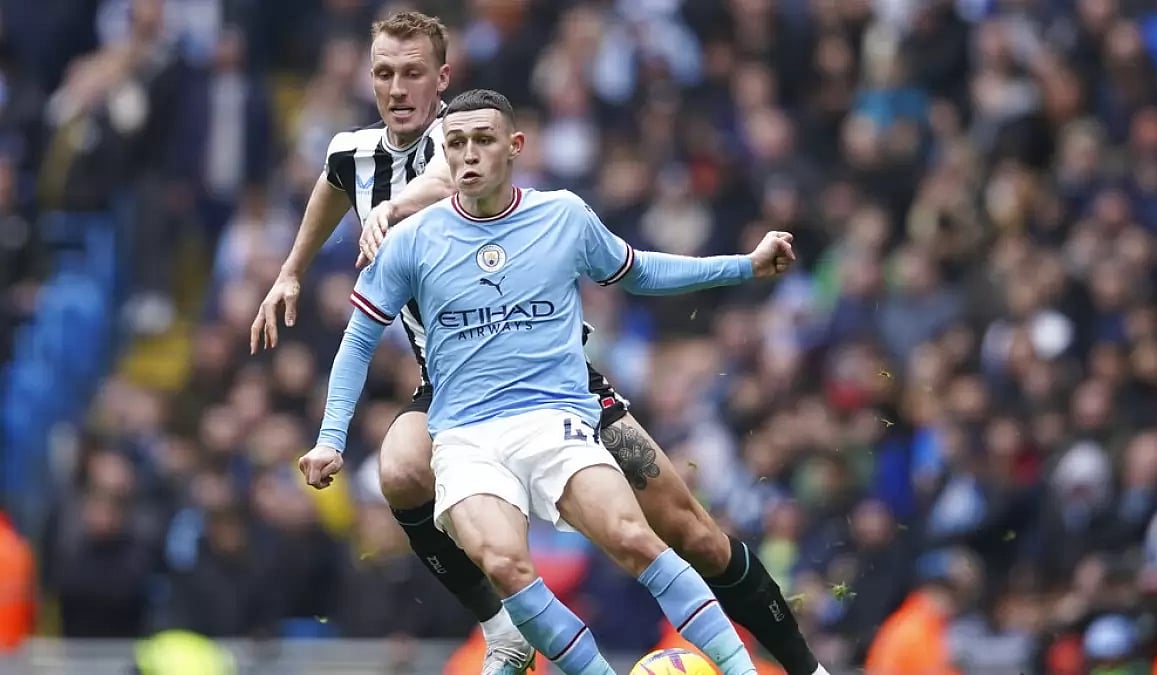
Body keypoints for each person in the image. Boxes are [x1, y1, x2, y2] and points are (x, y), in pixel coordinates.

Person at [254, 11, 826, 675]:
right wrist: (291, 270)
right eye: (384, 73)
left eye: (413, 73)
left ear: (443, 82)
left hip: (559, 382)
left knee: (690, 532)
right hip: (456, 389)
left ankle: (803, 668)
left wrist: (397, 206)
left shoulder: (462, 150)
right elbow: (335, 186)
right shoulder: (354, 154)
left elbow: (460, 180)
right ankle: (504, 627)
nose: (398, 86)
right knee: (399, 468)